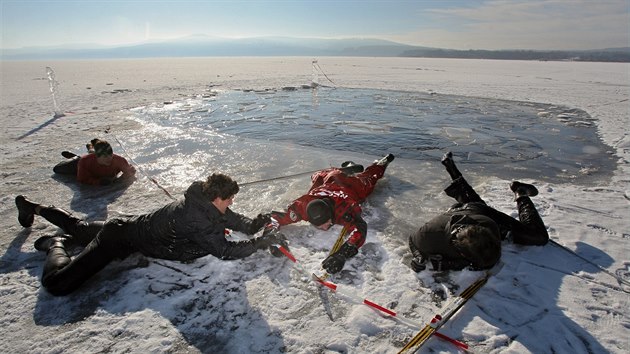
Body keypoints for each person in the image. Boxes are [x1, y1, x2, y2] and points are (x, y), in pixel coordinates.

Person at [15, 173, 285, 296]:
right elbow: (224, 250)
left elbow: (236, 221)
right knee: (58, 285)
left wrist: (255, 225)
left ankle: (34, 207)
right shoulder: (195, 217)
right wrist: (260, 242)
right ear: (215, 198)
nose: (232, 204)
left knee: (77, 227)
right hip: (117, 240)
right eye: (230, 199)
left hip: (128, 227)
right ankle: (56, 243)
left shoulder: (205, 202)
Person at [408, 152, 549, 272]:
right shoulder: (428, 235)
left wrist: (451, 265)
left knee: (537, 236)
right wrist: (418, 256)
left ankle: (521, 193)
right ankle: (454, 172)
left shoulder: (489, 225)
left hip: (477, 212)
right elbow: (412, 241)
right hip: (461, 212)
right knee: (474, 205)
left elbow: (488, 259)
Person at [265, 153, 395, 274]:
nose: (323, 228)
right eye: (317, 225)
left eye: (324, 223)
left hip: (351, 186)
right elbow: (276, 217)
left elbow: (360, 228)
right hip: (328, 179)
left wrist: (342, 254)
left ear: (331, 215)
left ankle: (380, 164)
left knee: (370, 178)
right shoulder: (302, 206)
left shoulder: (345, 209)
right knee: (319, 176)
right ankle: (344, 170)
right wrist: (271, 234)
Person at [53, 138, 136, 186]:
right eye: (105, 156)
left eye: (111, 155)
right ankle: (76, 157)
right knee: (56, 169)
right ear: (97, 157)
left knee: (92, 153)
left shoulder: (119, 160)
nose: (109, 158)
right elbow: (82, 179)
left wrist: (128, 174)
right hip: (77, 165)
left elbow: (129, 172)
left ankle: (91, 147)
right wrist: (98, 182)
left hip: (91, 159)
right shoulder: (85, 162)